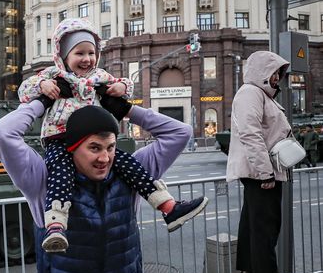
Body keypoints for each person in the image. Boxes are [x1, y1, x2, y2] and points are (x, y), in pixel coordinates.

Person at [0, 91, 196, 273]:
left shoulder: (131, 176)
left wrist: (127, 110)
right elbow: (2, 133)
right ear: (73, 147)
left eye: (110, 147)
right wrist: (41, 104)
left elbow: (181, 133)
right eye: (95, 148)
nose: (105, 158)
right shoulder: (42, 183)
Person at [18, 18, 206, 252]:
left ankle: (168, 207)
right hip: (60, 138)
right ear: (63, 56)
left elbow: (125, 82)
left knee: (129, 165)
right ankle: (56, 226)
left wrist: (121, 90)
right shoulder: (53, 75)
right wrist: (44, 88)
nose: (87, 59)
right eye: (79, 53)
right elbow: (25, 89)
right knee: (60, 172)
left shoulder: (99, 76)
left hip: (96, 137)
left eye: (91, 52)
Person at [227, 51, 298, 273]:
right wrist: (265, 173)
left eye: (279, 73)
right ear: (262, 71)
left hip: (261, 170)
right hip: (262, 172)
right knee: (266, 225)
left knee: (253, 223)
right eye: (275, 72)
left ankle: (249, 272)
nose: (278, 77)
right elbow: (250, 134)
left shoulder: (258, 94)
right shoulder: (251, 93)